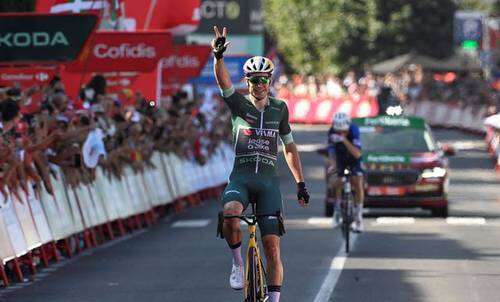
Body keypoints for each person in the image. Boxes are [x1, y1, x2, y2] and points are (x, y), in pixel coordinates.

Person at [212, 26, 310, 302]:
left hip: (268, 184)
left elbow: (289, 147)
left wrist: (301, 183)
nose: (258, 85)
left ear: (269, 80)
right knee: (230, 213)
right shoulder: (239, 105)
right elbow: (223, 83)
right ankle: (237, 263)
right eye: (253, 80)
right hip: (241, 179)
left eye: (263, 80)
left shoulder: (280, 109)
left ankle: (275, 299)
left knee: (272, 247)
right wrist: (218, 57)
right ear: (248, 81)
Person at [327, 112, 364, 232]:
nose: (340, 133)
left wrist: (344, 140)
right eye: (339, 132)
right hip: (340, 157)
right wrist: (333, 165)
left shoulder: (354, 130)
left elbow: (357, 154)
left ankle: (358, 217)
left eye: (343, 131)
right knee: (337, 180)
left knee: (357, 182)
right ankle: (337, 212)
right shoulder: (332, 132)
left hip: (354, 157)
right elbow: (331, 153)